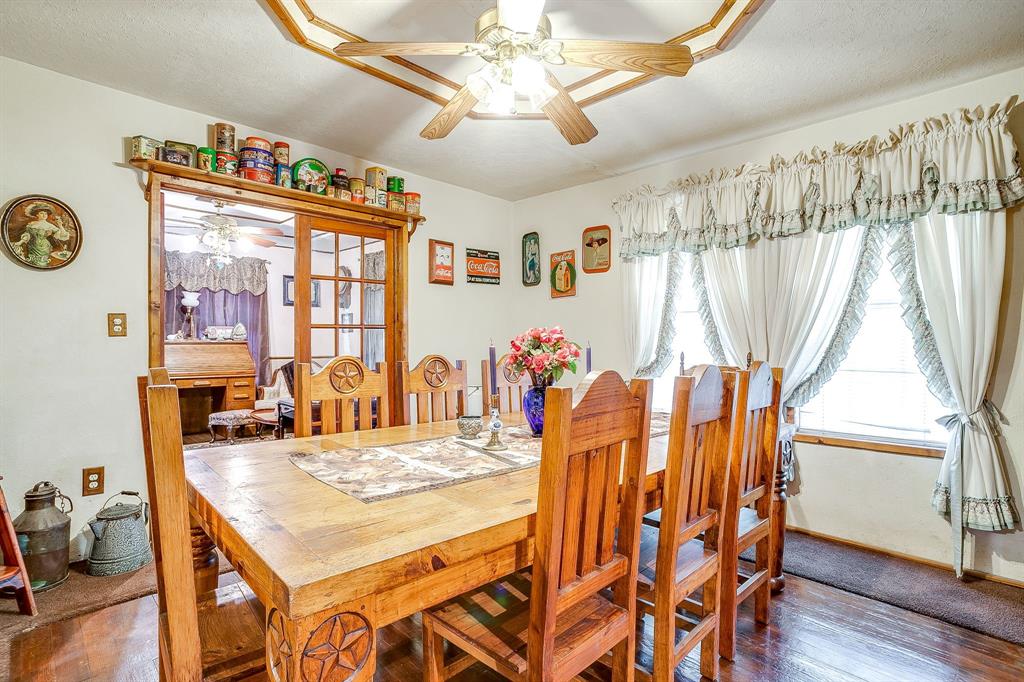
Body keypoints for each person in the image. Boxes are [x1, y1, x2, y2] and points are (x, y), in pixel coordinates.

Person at [14, 202, 71, 267]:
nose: (44, 215)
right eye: (41, 213)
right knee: (31, 264)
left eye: (45, 214)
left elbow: (63, 236)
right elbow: (27, 235)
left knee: (42, 264)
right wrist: (20, 242)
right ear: (37, 214)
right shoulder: (31, 224)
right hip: (32, 247)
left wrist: (60, 226)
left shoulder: (49, 226)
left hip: (44, 248)